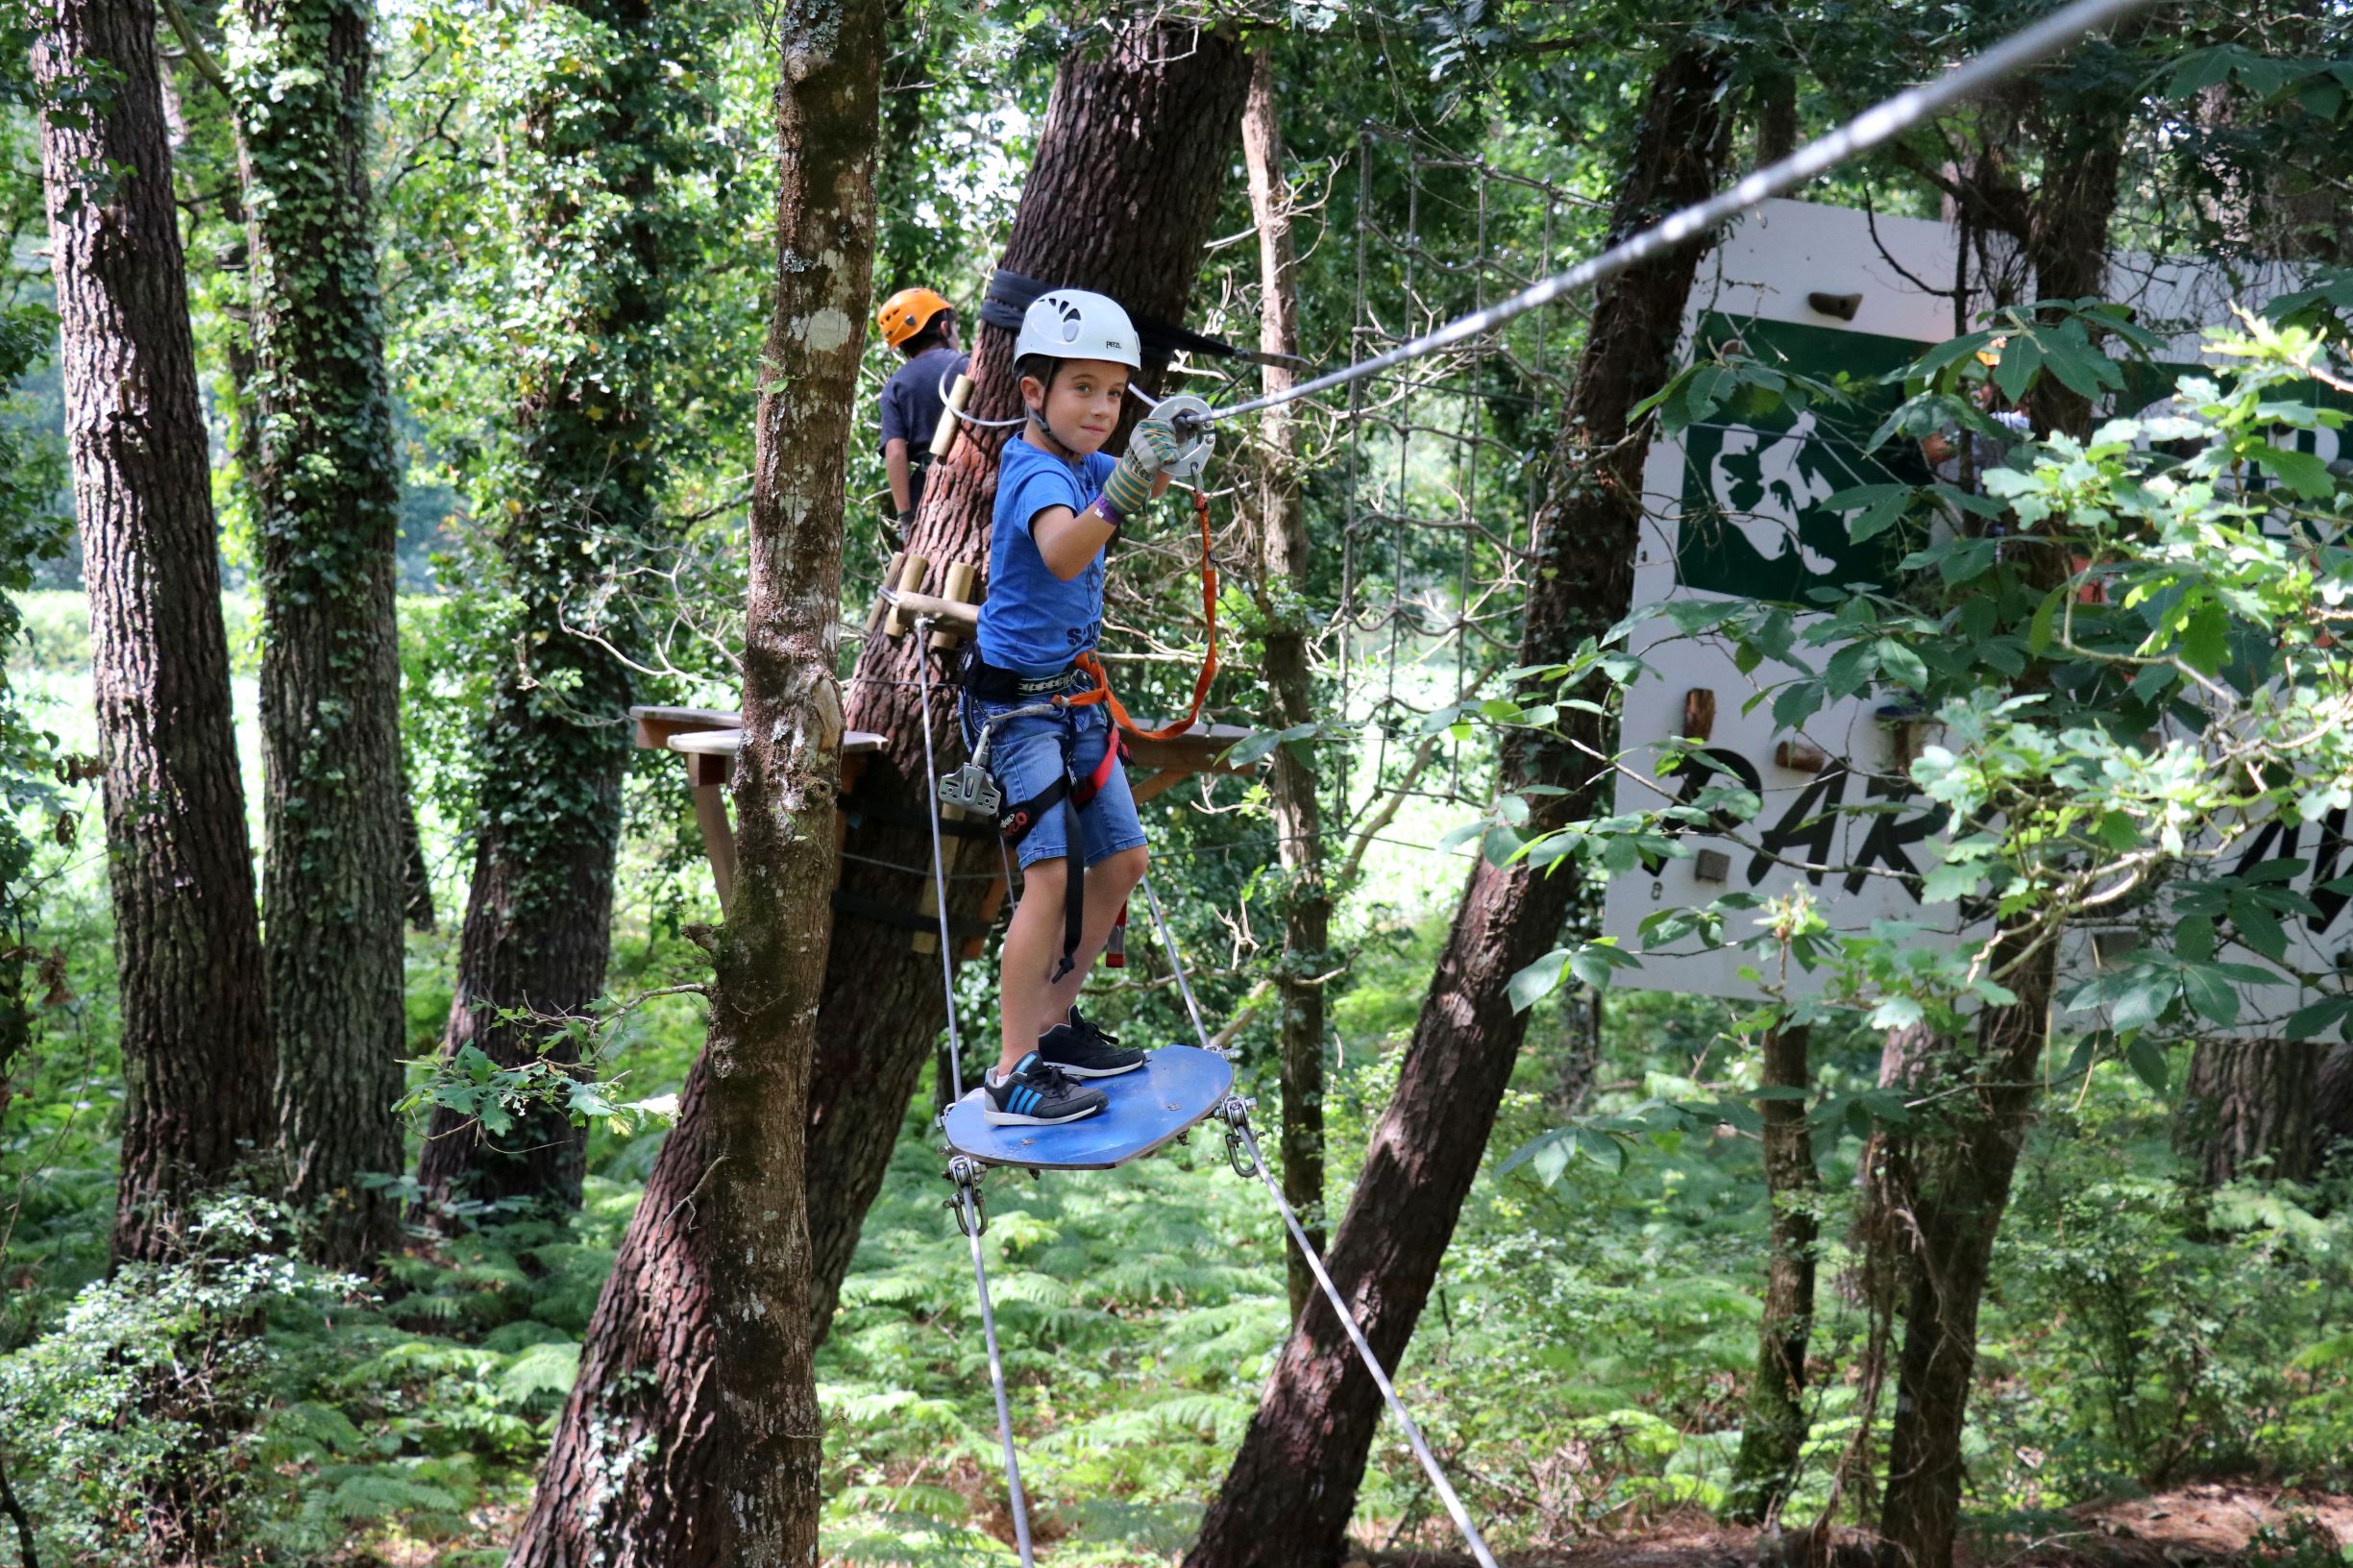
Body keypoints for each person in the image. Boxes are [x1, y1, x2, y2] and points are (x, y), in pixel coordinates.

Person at [958, 288, 1185, 1126]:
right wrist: (1126, 484)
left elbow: (1132, 483)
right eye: (1081, 387)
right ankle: (1012, 1069)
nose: (1101, 408)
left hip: (1072, 699)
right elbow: (1061, 550)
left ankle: (1051, 1023)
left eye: (1115, 393)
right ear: (1032, 392)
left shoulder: (1086, 465)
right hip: (1015, 712)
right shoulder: (1033, 470)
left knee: (1121, 863)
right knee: (1049, 876)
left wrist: (1171, 446)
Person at [873, 286, 970, 533]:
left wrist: (906, 517)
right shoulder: (970, 368)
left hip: (928, 496)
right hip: (980, 478)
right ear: (944, 328)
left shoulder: (895, 386)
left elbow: (895, 453)